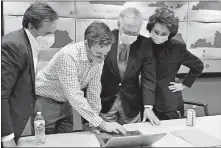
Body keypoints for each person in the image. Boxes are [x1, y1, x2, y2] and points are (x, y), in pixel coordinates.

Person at [34, 21, 126, 135]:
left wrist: (92, 123)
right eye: (98, 55)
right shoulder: (68, 55)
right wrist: (102, 123)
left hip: (67, 102)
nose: (102, 59)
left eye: (105, 55)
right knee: (46, 141)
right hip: (45, 102)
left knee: (66, 139)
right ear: (87, 44)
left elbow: (94, 90)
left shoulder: (99, 57)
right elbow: (74, 94)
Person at [1, 2, 58, 147]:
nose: (51, 37)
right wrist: (6, 138)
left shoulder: (30, 43)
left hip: (16, 123)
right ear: (32, 27)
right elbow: (1, 94)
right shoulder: (13, 45)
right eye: (47, 33)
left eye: (53, 32)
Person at [143, 7, 204, 123]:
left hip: (168, 102)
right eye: (156, 32)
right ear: (150, 29)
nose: (159, 36)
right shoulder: (143, 45)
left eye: (164, 34)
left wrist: (184, 84)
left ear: (170, 34)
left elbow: (198, 66)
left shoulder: (177, 47)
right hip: (144, 101)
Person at [100, 8, 158, 125]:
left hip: (130, 102)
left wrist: (148, 107)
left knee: (132, 138)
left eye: (135, 33)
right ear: (118, 24)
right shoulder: (105, 39)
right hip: (105, 101)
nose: (131, 36)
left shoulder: (145, 44)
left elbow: (148, 78)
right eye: (127, 32)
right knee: (106, 138)